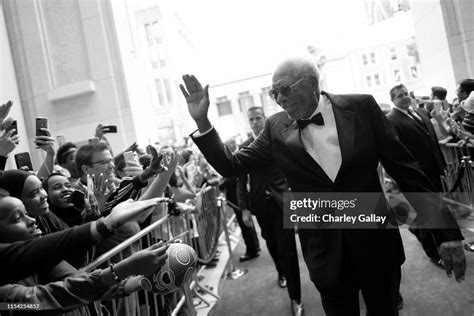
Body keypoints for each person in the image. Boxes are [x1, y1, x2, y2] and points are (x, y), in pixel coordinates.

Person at [179, 57, 466, 315]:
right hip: (324, 253)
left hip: (376, 244)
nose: (279, 99)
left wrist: (445, 233)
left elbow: (406, 171)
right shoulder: (274, 127)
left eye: (284, 89)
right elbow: (232, 165)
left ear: (312, 84)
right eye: (273, 92)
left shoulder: (362, 107)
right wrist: (203, 121)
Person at [0, 193, 169, 314]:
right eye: (17, 218)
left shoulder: (43, 259)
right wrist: (123, 269)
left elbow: (83, 282)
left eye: (26, 214)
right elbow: (40, 301)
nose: (32, 220)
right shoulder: (4, 300)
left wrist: (140, 280)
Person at [237, 106, 303, 315]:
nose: (255, 122)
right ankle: (280, 271)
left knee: (288, 248)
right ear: (248, 122)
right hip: (260, 206)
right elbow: (240, 182)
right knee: (271, 244)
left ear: (265, 119)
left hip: (282, 202)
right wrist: (244, 209)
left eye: (258, 118)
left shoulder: (279, 141)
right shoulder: (244, 146)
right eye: (252, 119)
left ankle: (296, 298)